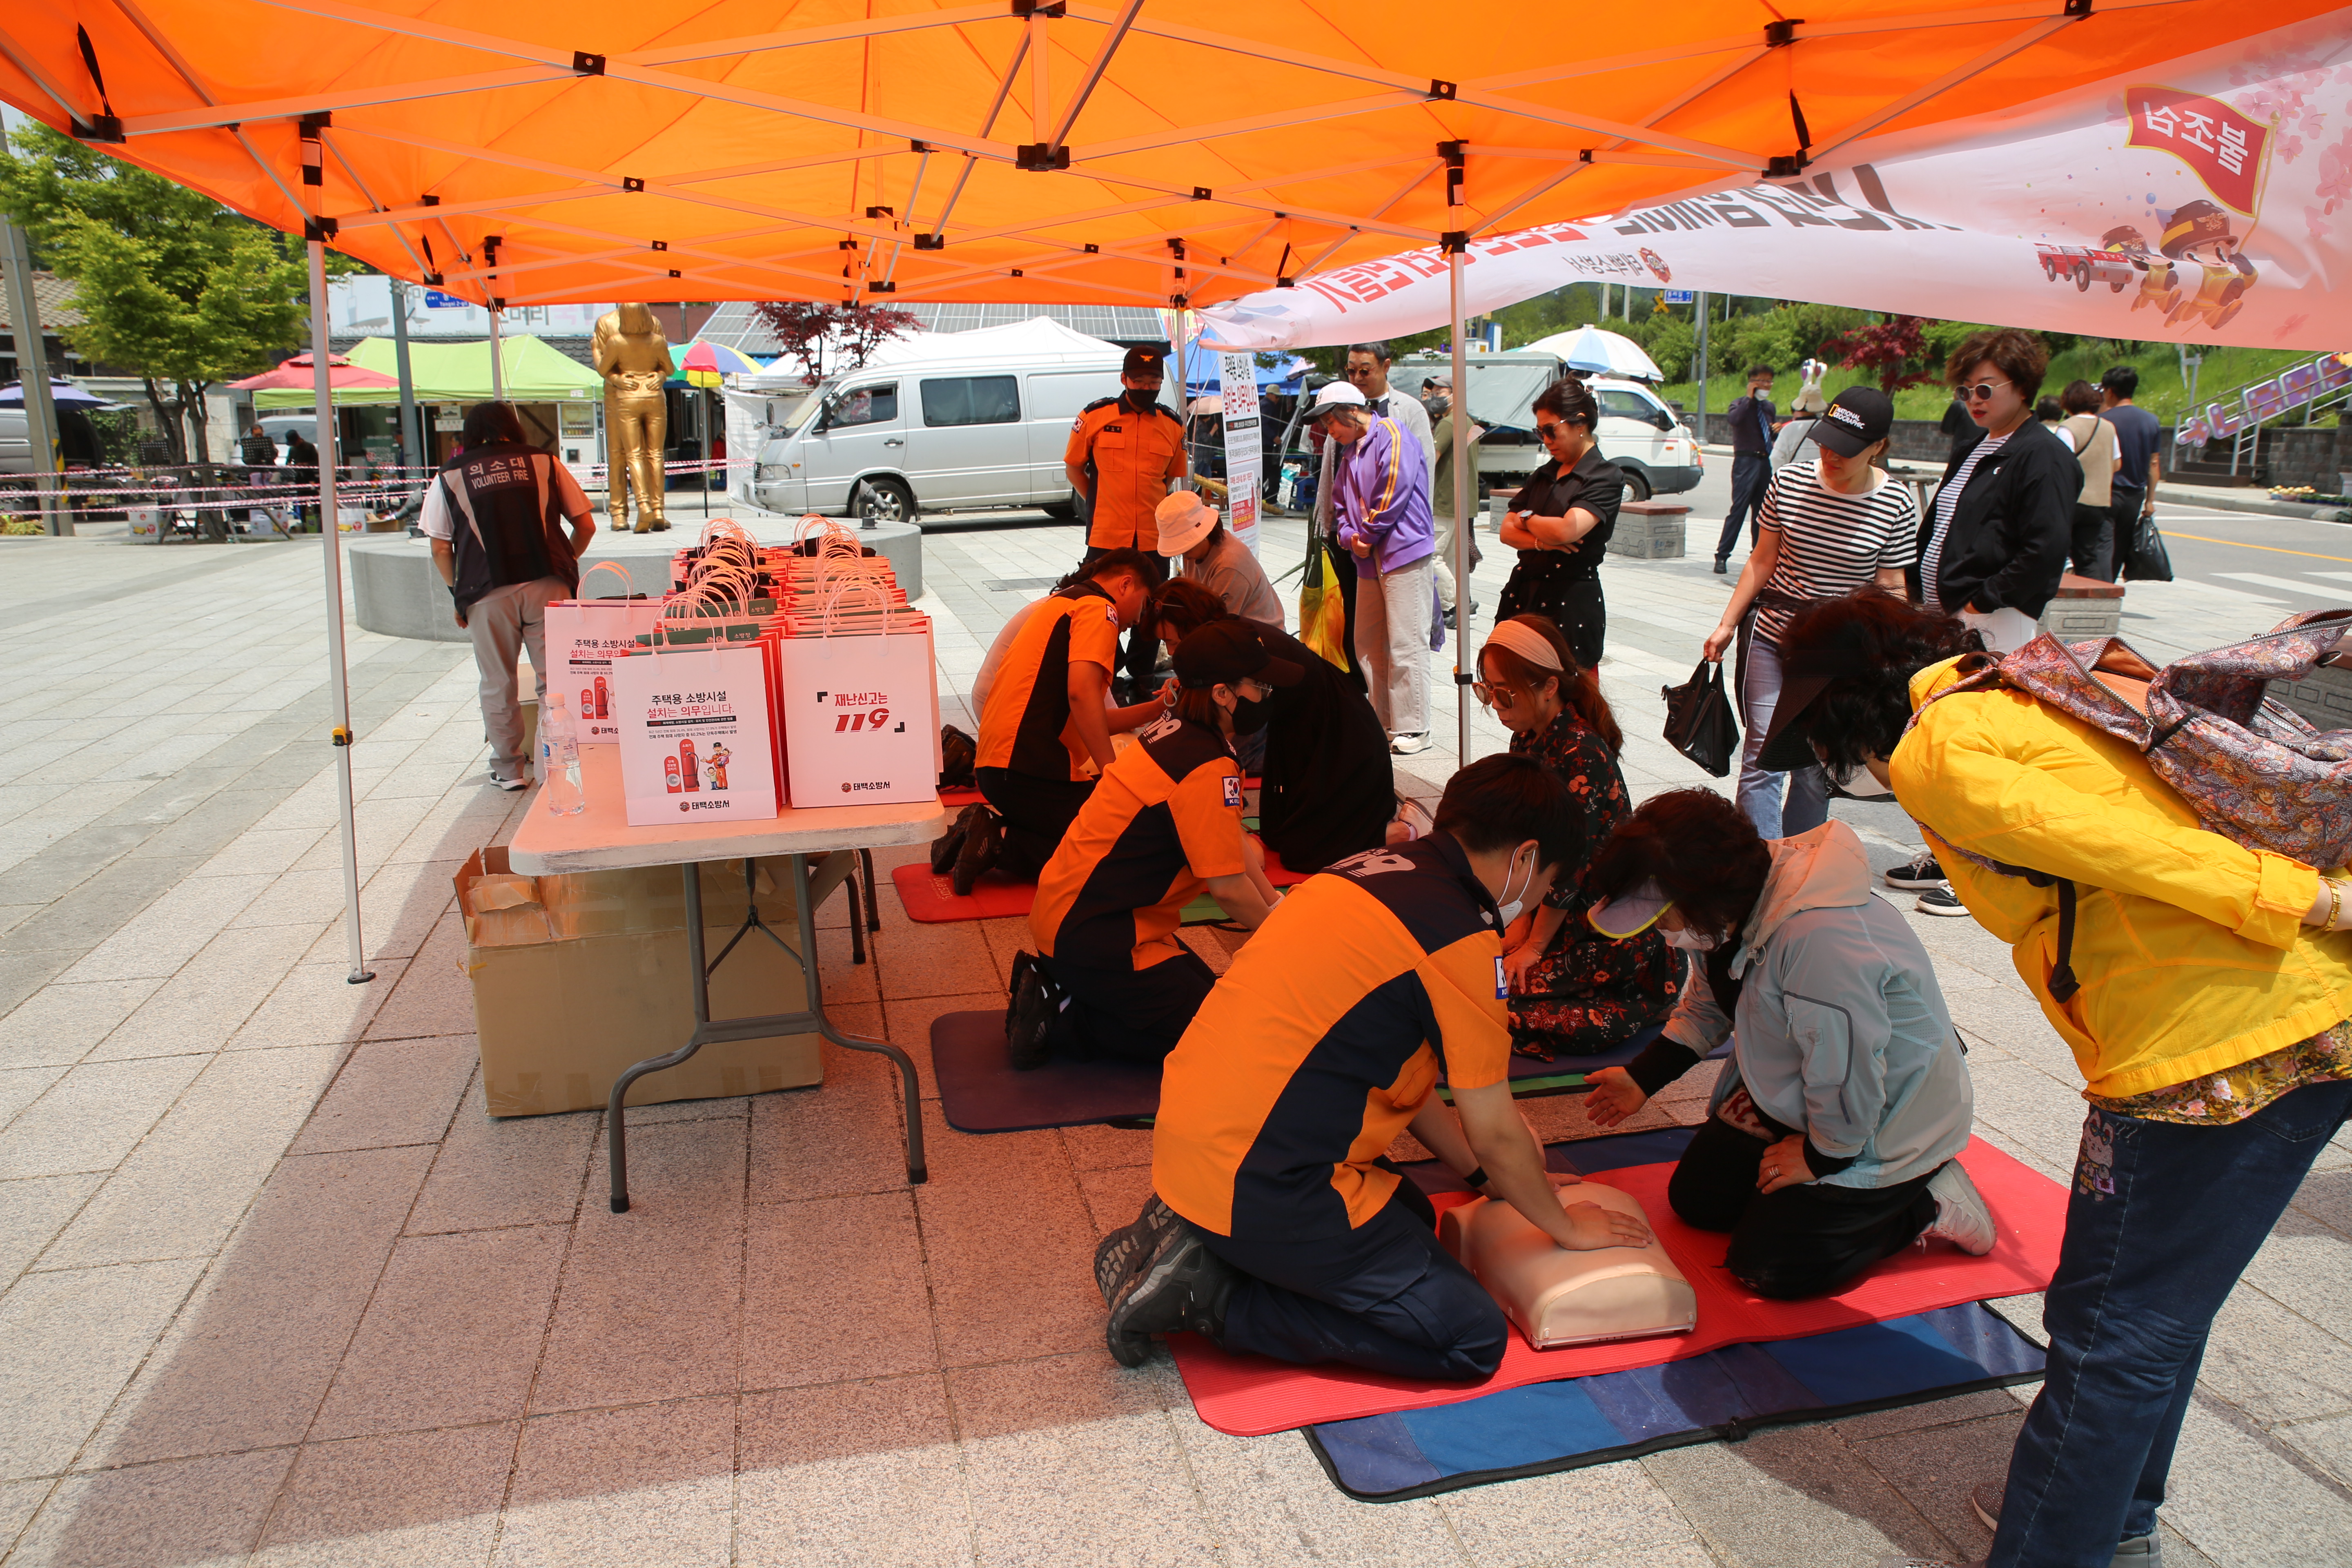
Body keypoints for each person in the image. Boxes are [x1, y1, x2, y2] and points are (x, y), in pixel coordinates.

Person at [1758, 590, 2352, 1568]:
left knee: (2108, 1327)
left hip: (2203, 1040)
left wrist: (2310, 898)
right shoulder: (2023, 687)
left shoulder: (1939, 747)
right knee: (2157, 1312)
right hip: (2306, 1011)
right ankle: (2117, 1517)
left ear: (1846, 705)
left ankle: (2057, 1544)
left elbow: (2136, 849)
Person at [1096, 754, 1656, 1374]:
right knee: (1469, 1338)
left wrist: (1482, 1179)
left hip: (1199, 1142)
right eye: (1547, 882)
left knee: (1412, 1215)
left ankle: (1197, 1236)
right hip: (1261, 1179)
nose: (1536, 901)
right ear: (1525, 858)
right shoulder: (1459, 936)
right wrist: (1566, 1228)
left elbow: (1400, 1075)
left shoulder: (1362, 871)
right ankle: (1212, 1299)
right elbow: (1496, 1130)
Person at [1578, 787, 1991, 1301]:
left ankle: (1926, 1200)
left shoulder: (1821, 941)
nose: (1661, 931)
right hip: (1806, 1094)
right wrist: (1643, 1077)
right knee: (1700, 1201)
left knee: (1772, 1266)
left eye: (1662, 917)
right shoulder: (1735, 900)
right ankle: (1830, 1180)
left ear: (1701, 898)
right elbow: (1709, 1004)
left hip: (1886, 1115)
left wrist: (1823, 1157)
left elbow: (1848, 1072)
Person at [1007, 622, 1292, 1069]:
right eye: (1261, 687)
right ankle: (1060, 1013)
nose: (1267, 696)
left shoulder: (1175, 730)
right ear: (1222, 694)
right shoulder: (1205, 763)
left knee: (1219, 1004)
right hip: (1095, 938)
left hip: (1078, 919)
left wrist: (1275, 905)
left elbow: (1230, 838)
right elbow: (1228, 888)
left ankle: (1069, 987)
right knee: (1214, 1040)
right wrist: (1285, 939)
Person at [1702, 386, 1916, 840]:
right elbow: (1762, 560)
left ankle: (1801, 862)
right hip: (1774, 636)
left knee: (1817, 765)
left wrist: (1896, 652)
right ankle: (1760, 862)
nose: (1830, 454)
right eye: (1826, 441)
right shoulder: (1789, 482)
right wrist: (1727, 624)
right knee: (1764, 756)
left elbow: (1891, 584)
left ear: (1878, 446)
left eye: (1846, 448)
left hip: (1839, 652)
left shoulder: (1896, 502)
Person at [1480, 615, 1677, 1060]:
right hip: (1554, 909)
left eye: (1504, 692)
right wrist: (1521, 924)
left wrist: (1534, 945)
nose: (1494, 703)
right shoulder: (1528, 737)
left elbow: (1569, 866)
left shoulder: (1581, 752)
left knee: (1500, 1001)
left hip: (1601, 924)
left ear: (1549, 686)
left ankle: (1648, 997)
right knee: (1481, 975)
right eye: (1488, 689)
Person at [944, 550, 1165, 891]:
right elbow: (1082, 694)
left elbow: (1096, 718)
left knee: (1103, 826)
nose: (1139, 619)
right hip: (1030, 771)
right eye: (1144, 604)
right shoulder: (1100, 610)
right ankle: (998, 842)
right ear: (1126, 584)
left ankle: (986, 832)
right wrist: (1111, 773)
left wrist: (1160, 707)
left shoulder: (1061, 604)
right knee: (1123, 842)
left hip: (1000, 767)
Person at [1148, 578, 1394, 872]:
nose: (1170, 652)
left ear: (1189, 625)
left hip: (1339, 730)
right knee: (1275, 833)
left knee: (1305, 855)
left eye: (1172, 642)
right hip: (1293, 727)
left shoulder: (1231, 643)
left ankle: (1394, 833)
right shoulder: (1223, 640)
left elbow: (1231, 728)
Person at [420, 402, 596, 791]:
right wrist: (564, 562)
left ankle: (509, 770)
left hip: (486, 592)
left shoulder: (449, 475)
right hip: (548, 585)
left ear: (469, 433)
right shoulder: (545, 462)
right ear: (513, 426)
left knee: (498, 682)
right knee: (555, 682)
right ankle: (555, 769)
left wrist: (457, 594)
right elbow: (586, 525)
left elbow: (440, 547)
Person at [1913, 328, 2078, 658]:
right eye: (1966, 390)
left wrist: (1981, 602)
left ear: (2022, 387)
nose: (1974, 400)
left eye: (1986, 389)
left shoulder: (2044, 454)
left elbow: (2045, 550)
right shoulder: (1972, 448)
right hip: (1947, 615)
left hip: (1995, 619)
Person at [1316, 382, 1436, 756]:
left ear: (1351, 411)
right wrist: (1352, 538)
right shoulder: (1350, 452)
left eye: (1331, 422)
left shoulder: (1392, 433)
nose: (1330, 431)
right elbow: (1340, 504)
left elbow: (1393, 490)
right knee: (1368, 643)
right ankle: (1384, 721)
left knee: (1405, 640)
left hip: (1403, 552)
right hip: (1369, 558)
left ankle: (1415, 726)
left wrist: (1363, 535)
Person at [1065, 346, 1187, 696]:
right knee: (1100, 606)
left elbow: (1169, 477)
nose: (1146, 387)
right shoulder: (1095, 416)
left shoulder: (1172, 425)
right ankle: (1109, 671)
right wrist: (1097, 502)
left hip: (1152, 537)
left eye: (1153, 381)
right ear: (1124, 379)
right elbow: (1074, 467)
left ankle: (1142, 674)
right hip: (1106, 533)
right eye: (1139, 380)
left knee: (1151, 608)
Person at [1494, 378, 1622, 670]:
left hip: (1570, 600)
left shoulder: (1604, 475)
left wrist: (1527, 518)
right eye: (1540, 432)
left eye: (1551, 430)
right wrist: (1542, 540)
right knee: (1517, 686)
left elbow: (1567, 530)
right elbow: (1506, 531)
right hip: (1525, 593)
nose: (1546, 439)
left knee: (1568, 688)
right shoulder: (1544, 474)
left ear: (1580, 424)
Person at [1154, 490, 1282, 627]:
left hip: (1258, 635)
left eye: (1185, 546)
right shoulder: (1197, 551)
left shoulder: (1229, 564)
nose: (1183, 554)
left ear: (1205, 535)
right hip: (1226, 628)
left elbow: (1216, 624)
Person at [1429, 372, 1485, 629]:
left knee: (1432, 555)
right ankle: (1452, 609)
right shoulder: (1467, 421)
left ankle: (1458, 602)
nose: (1435, 397)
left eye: (1440, 393)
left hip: (1445, 500)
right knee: (1451, 559)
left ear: (1455, 394)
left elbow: (1431, 460)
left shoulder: (1448, 424)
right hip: (1463, 501)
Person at [1713, 365, 1778, 575]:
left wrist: (1776, 431)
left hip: (1764, 461)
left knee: (1763, 511)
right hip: (1745, 461)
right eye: (1762, 381)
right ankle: (1722, 556)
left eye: (1769, 381)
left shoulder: (1769, 408)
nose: (1766, 385)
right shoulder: (1739, 404)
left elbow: (1767, 434)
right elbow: (1735, 420)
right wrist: (1749, 399)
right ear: (1752, 383)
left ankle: (1758, 554)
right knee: (1739, 509)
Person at [2100, 365, 2162, 572]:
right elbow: (2154, 464)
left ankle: (2099, 583)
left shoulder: (2103, 421)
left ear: (2110, 391)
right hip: (2134, 496)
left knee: (2102, 544)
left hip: (2107, 493)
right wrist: (2150, 500)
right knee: (2120, 545)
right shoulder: (2151, 421)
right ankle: (2110, 583)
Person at [2058, 379, 2120, 580]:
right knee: (2087, 556)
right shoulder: (2109, 427)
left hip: (2071, 501)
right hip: (2099, 502)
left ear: (2068, 402)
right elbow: (2117, 464)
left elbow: (2061, 466)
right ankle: (2091, 594)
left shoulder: (2067, 428)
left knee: (2057, 552)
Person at [1769, 383, 1826, 472]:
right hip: (1821, 476)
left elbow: (1776, 458)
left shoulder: (1788, 429)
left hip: (1794, 477)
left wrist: (1780, 477)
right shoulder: (1827, 428)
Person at [283, 428, 320, 529]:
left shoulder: (309, 447)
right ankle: (304, 521)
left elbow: (317, 462)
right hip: (299, 477)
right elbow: (288, 461)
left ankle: (318, 518)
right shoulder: (293, 450)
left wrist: (305, 465)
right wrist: (291, 465)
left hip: (310, 476)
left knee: (315, 498)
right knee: (301, 499)